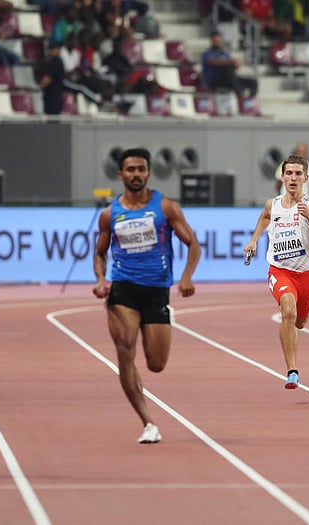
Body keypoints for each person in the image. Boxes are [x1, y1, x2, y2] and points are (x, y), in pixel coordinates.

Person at [92, 147, 201, 444]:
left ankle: (161, 320)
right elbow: (100, 253)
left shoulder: (166, 207)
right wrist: (101, 279)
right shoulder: (109, 214)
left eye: (141, 169)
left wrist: (187, 276)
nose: (136, 174)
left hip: (156, 291)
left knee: (156, 364)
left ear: (149, 172)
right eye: (131, 169)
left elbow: (193, 244)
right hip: (123, 289)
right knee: (125, 352)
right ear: (120, 174)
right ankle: (148, 422)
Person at [244, 154, 309, 389]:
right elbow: (265, 217)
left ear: (306, 178)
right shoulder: (272, 205)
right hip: (279, 270)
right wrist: (253, 240)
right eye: (289, 173)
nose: (293, 178)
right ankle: (292, 371)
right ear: (282, 177)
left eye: (297, 174)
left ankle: (296, 314)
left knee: (300, 322)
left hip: (306, 274)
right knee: (288, 311)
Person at [201, 30, 258, 97]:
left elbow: (235, 66)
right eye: (215, 41)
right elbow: (213, 61)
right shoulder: (207, 54)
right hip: (214, 80)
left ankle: (250, 100)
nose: (217, 43)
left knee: (253, 82)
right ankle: (240, 94)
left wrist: (236, 64)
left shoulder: (225, 54)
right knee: (228, 67)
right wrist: (230, 62)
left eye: (219, 41)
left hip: (229, 79)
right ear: (212, 41)